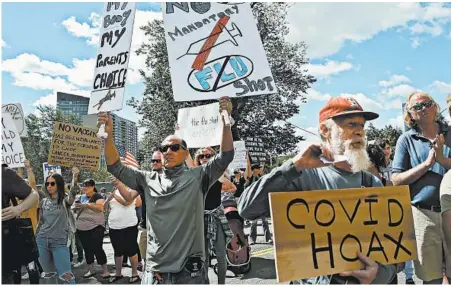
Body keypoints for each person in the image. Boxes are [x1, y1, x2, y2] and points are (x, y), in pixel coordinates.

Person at [238, 96, 397, 284]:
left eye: (362, 126)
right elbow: (247, 209)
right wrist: (293, 166)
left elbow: (394, 254)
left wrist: (377, 275)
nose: (359, 132)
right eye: (351, 124)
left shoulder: (373, 184)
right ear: (325, 130)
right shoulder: (301, 177)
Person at [98, 96, 234, 284]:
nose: (168, 151)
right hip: (156, 271)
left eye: (174, 147)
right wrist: (109, 136)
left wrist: (226, 121)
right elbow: (114, 166)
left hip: (189, 270)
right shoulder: (146, 179)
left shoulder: (198, 177)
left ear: (186, 153)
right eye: (164, 148)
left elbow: (225, 156)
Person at [392, 91, 451, 285]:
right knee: (430, 277)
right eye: (416, 107)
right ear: (409, 114)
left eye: (426, 104)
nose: (423, 109)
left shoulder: (451, 133)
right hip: (423, 215)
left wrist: (442, 160)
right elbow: (396, 179)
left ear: (435, 106)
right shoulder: (406, 140)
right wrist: (426, 165)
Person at [192, 147, 234, 284]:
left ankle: (221, 284)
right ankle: (205, 283)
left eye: (208, 156)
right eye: (201, 156)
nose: (204, 158)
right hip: (199, 218)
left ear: (213, 158)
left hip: (216, 216)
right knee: (203, 256)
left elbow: (233, 188)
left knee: (221, 254)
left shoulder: (218, 174)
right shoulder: (194, 174)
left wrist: (222, 188)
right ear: (197, 160)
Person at [35, 168, 79, 284]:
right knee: (49, 275)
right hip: (42, 240)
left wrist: (75, 176)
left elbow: (73, 194)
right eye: (47, 183)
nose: (49, 186)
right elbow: (41, 222)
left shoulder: (65, 200)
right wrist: (35, 237)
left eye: (52, 183)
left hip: (59, 241)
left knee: (66, 276)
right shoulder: (43, 201)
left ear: (58, 185)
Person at [2, 164, 40, 284]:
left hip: (10, 241)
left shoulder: (4, 173)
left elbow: (34, 194)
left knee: (30, 268)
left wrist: (17, 209)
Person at [104, 177, 142, 284]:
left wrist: (114, 196)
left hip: (129, 225)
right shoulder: (113, 192)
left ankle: (134, 274)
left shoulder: (131, 191)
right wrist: (108, 198)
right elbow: (105, 208)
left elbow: (127, 202)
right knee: (118, 251)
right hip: (114, 226)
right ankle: (118, 273)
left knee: (131, 250)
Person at [73, 179, 110, 279]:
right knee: (87, 249)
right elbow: (76, 209)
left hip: (96, 227)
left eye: (87, 185)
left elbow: (100, 208)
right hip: (82, 228)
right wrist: (76, 207)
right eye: (84, 185)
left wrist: (87, 205)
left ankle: (105, 271)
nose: (85, 187)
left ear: (93, 186)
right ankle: (91, 270)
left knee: (97, 248)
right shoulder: (81, 197)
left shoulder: (98, 196)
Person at [247, 163, 272, 245]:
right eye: (259, 168)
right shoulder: (251, 178)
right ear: (254, 169)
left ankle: (268, 238)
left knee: (265, 221)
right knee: (253, 222)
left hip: (262, 202)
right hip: (253, 203)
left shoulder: (260, 177)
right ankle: (252, 239)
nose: (260, 169)